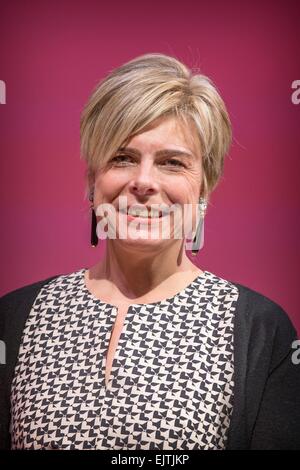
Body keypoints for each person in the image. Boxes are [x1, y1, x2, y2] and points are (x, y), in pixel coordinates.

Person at [0, 53, 299, 451]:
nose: (143, 181)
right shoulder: (14, 318)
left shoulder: (262, 330)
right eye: (122, 158)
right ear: (93, 179)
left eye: (172, 163)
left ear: (204, 188)